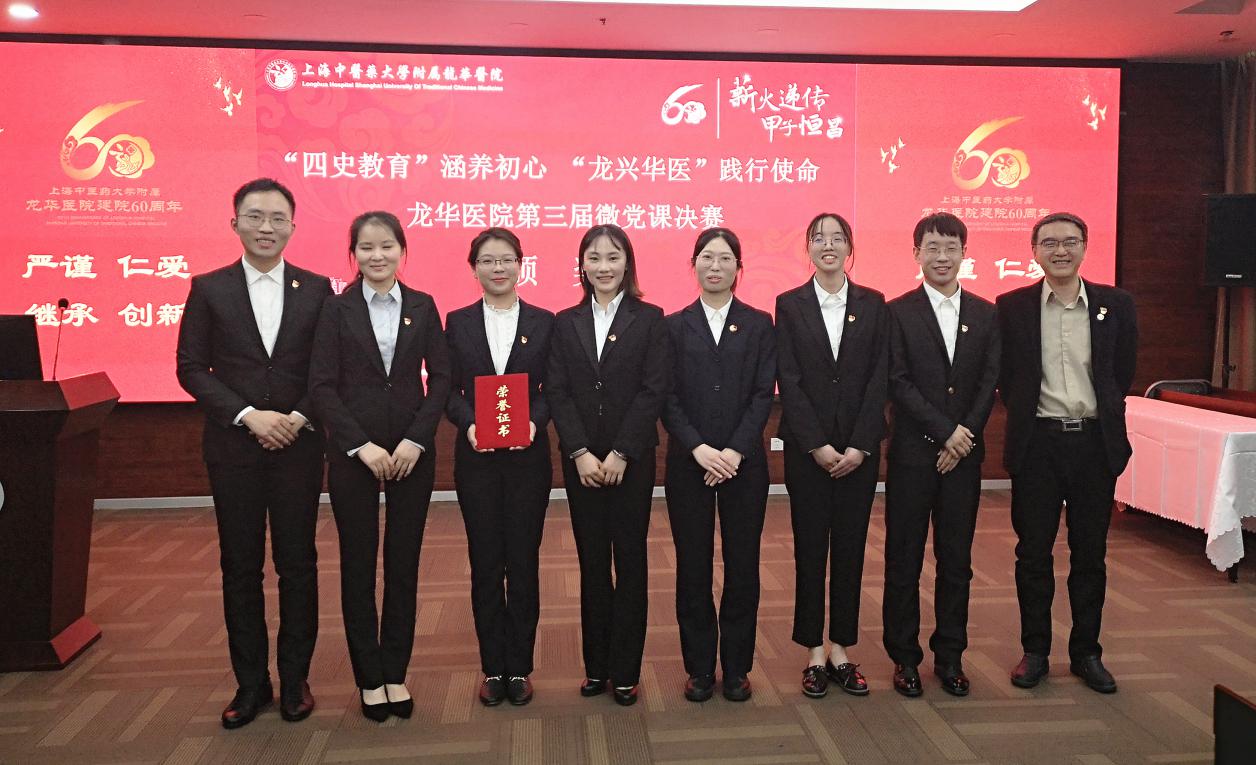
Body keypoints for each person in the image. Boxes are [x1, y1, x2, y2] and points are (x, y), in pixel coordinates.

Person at [176, 177, 330, 728]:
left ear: (293, 226)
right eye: (256, 217)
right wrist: (247, 415)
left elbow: (328, 368)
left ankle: (295, 679)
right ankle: (250, 684)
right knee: (240, 567)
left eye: (277, 218)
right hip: (233, 448)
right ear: (235, 223)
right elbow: (191, 368)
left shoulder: (318, 289)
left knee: (298, 565)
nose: (267, 227)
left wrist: (296, 417)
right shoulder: (209, 288)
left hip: (298, 446)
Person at [309, 211, 451, 721]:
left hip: (412, 454)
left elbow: (441, 378)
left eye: (387, 246)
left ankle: (395, 671)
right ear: (353, 254)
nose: (377, 256)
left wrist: (416, 439)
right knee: (359, 563)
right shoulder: (335, 309)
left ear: (402, 250)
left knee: (403, 563)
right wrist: (359, 445)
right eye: (366, 247)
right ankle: (369, 676)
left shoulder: (423, 305)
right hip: (355, 456)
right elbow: (321, 385)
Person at [998, 212, 1137, 694]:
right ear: (1034, 251)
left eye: (1070, 241)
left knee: (1090, 554)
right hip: (1037, 444)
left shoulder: (1115, 305)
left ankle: (1086, 653)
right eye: (1050, 242)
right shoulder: (1012, 307)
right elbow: (1007, 378)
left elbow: (1122, 372)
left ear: (1084, 246)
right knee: (1033, 552)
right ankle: (1035, 650)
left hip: (1094, 445)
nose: (1060, 250)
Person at [546, 224, 670, 706]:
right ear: (582, 265)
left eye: (613, 257)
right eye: (594, 258)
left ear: (627, 263)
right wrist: (579, 451)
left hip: (630, 461)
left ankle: (626, 671)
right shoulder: (565, 321)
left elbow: (653, 390)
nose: (603, 266)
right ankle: (596, 666)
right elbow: (557, 390)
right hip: (582, 464)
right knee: (592, 564)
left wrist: (621, 452)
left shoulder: (651, 319)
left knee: (631, 563)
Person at [882, 212, 1000, 698]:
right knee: (903, 559)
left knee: (956, 561)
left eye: (951, 248)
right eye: (932, 247)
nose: (942, 256)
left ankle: (950, 656)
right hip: (913, 456)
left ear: (964, 254)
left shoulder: (986, 313)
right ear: (916, 254)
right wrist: (944, 432)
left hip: (963, 459)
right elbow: (897, 381)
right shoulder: (896, 312)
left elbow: (989, 381)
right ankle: (905, 658)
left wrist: (962, 436)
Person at [775, 212, 889, 699]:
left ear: (849, 249)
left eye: (837, 238)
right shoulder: (789, 304)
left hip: (859, 453)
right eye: (819, 238)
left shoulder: (874, 303)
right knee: (809, 551)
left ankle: (841, 648)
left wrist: (861, 445)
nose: (828, 245)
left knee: (850, 549)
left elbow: (878, 377)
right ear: (808, 248)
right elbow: (789, 378)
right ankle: (813, 652)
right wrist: (817, 444)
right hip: (809, 453)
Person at [662, 227, 776, 703]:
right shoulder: (672, 325)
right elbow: (666, 396)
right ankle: (699, 668)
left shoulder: (759, 323)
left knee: (742, 566)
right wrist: (698, 448)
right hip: (689, 464)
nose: (715, 266)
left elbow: (762, 393)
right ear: (693, 265)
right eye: (707, 257)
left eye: (725, 258)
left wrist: (732, 451)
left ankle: (736, 667)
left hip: (743, 464)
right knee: (692, 566)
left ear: (738, 268)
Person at [445, 228, 554, 707]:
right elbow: (448, 389)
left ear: (520, 266)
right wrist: (470, 425)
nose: (497, 268)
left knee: (524, 562)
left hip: (528, 460)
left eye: (506, 259)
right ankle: (493, 667)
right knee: (486, 563)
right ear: (474, 269)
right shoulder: (457, 322)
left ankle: (520, 667)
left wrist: (533, 421)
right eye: (487, 260)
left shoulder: (544, 322)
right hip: (478, 462)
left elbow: (553, 388)